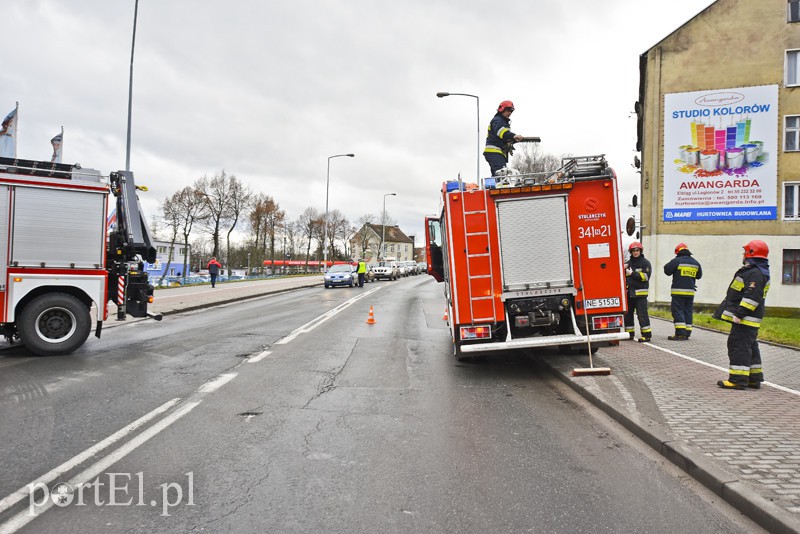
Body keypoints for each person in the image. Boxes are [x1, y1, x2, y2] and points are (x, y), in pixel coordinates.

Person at [715, 240, 771, 390]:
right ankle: (753, 378)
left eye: (745, 252)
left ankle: (738, 380)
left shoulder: (755, 273)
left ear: (750, 253)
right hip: (749, 319)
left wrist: (740, 314)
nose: (743, 254)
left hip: (745, 319)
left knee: (738, 346)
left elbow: (751, 297)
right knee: (749, 346)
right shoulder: (757, 271)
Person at [663, 242, 703, 340]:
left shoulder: (677, 261)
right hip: (690, 293)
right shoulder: (696, 262)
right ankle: (687, 332)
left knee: (677, 311)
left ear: (678, 252)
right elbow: (699, 276)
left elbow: (667, 270)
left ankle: (680, 333)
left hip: (678, 292)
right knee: (688, 311)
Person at [483, 100, 524, 176]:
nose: (510, 113)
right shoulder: (497, 120)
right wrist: (513, 136)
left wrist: (513, 139)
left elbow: (504, 137)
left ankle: (494, 184)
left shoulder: (503, 121)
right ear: (502, 109)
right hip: (494, 152)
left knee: (498, 175)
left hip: (497, 153)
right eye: (508, 110)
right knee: (502, 174)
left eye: (511, 111)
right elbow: (501, 132)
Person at [623, 241, 652, 342]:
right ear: (631, 252)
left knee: (642, 315)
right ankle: (629, 334)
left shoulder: (645, 263)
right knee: (628, 315)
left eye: (637, 250)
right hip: (629, 294)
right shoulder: (628, 263)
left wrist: (632, 273)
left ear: (640, 251)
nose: (635, 252)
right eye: (633, 251)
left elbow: (646, 277)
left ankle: (646, 335)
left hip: (640, 295)